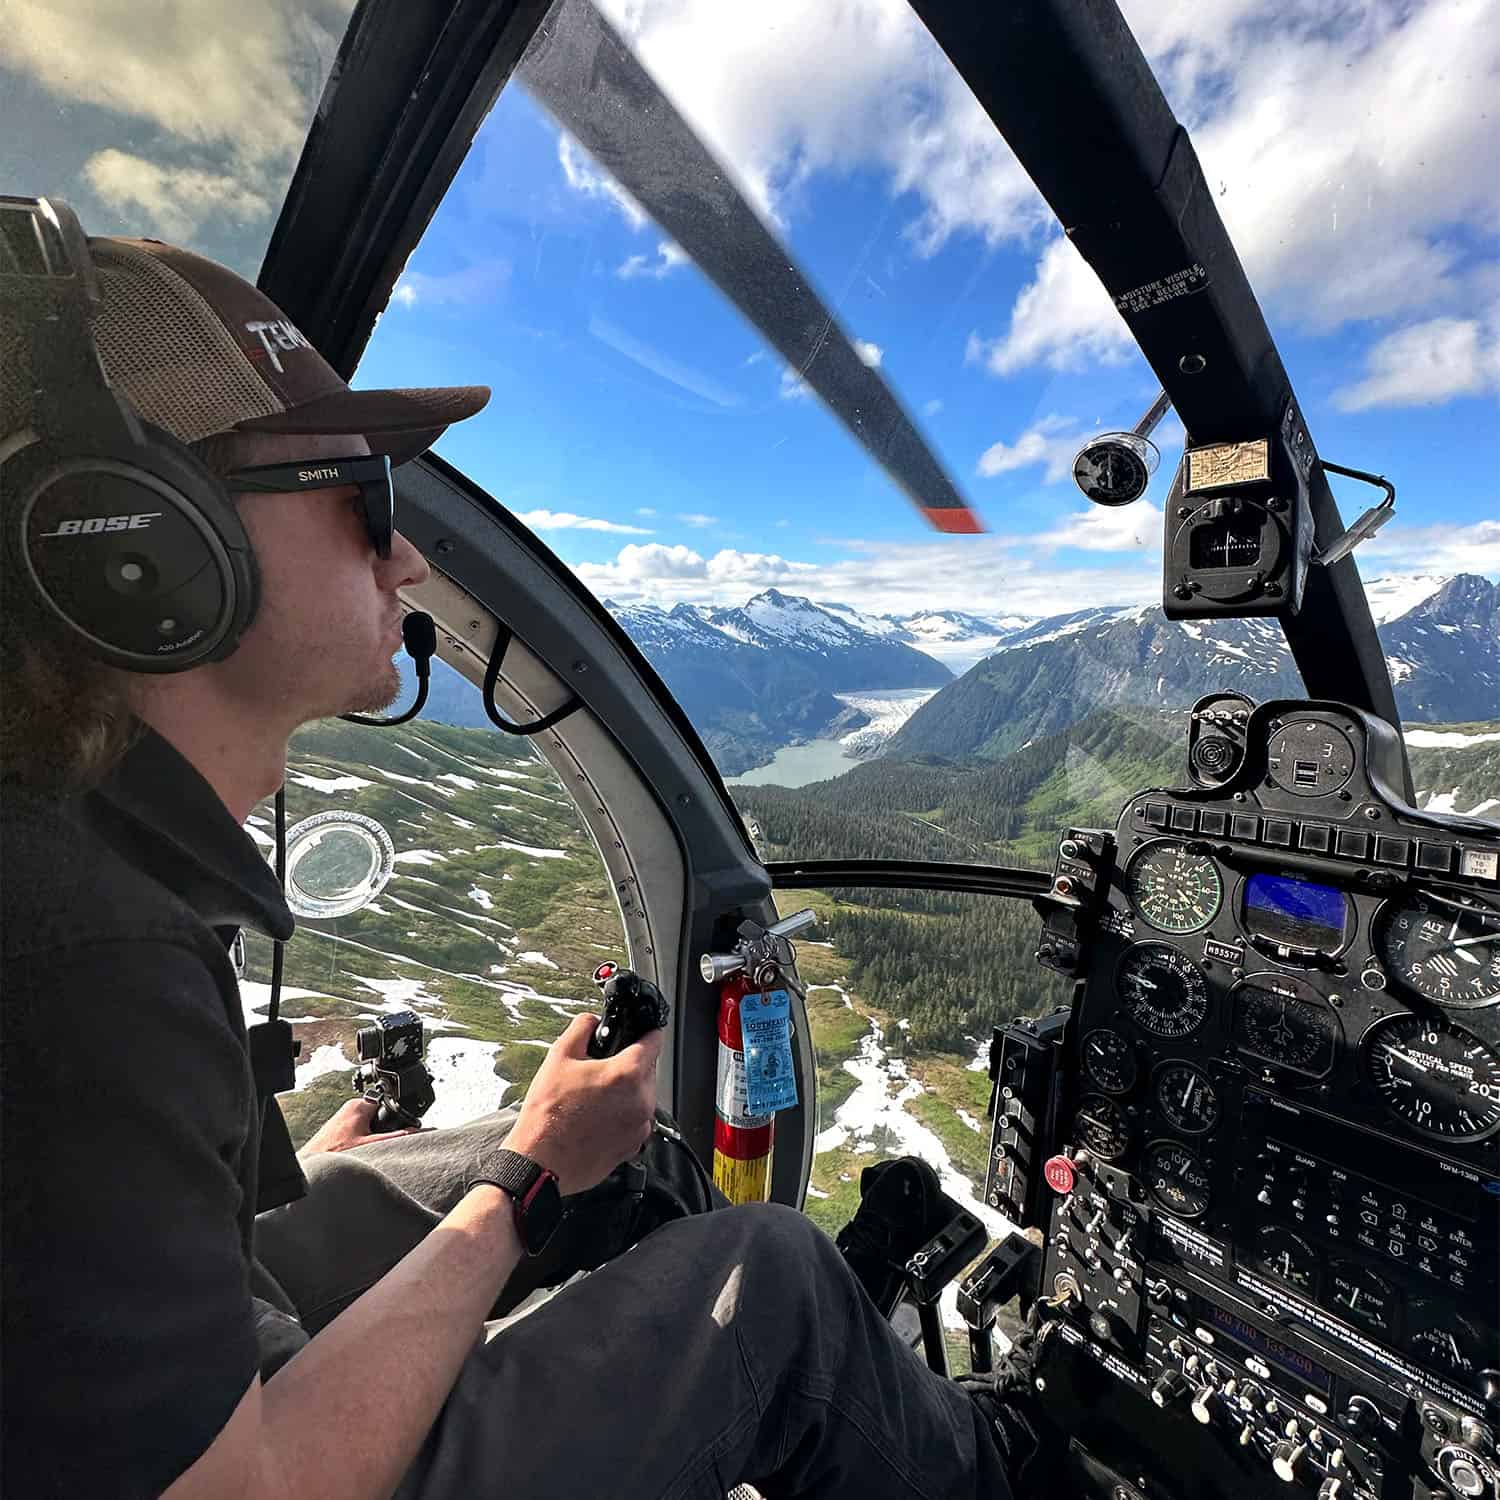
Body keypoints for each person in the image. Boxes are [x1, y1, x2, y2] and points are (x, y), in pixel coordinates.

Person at [0, 232, 1051, 1499]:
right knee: (770, 1290)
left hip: (213, 1321)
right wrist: (522, 1176)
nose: (410, 556)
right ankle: (1013, 1467)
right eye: (361, 497)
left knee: (646, 1159)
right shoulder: (75, 940)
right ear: (144, 544)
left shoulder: (84, 835)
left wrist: (449, 1172)